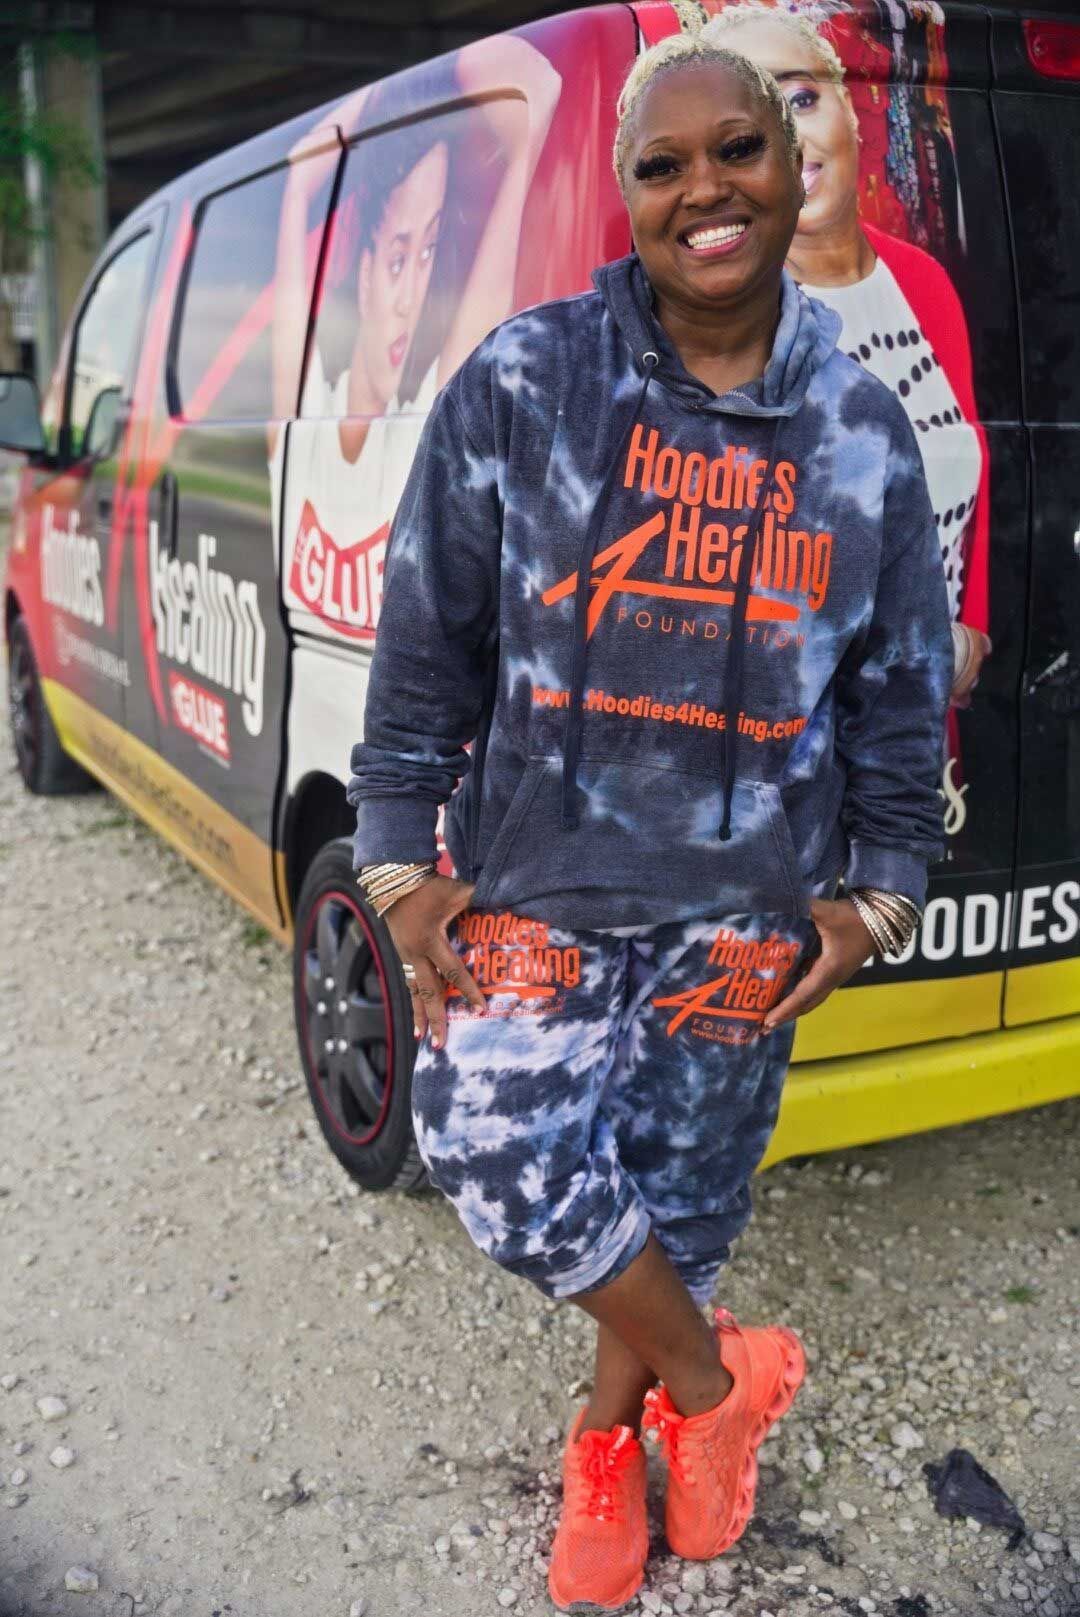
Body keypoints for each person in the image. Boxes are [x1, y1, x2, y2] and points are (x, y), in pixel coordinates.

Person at [348, 32, 952, 1613]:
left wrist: (876, 894)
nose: (706, 190)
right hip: (542, 886)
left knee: (681, 1203)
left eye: (736, 149)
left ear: (792, 161)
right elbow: (426, 648)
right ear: (623, 193)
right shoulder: (526, 382)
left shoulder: (866, 435)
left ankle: (608, 1446)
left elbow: (899, 702)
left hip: (752, 906)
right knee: (490, 1144)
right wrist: (403, 862)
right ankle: (717, 1386)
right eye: (662, 164)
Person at [702, 1, 991, 709]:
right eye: (747, 130)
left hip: (923, 724)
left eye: (801, 98)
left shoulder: (923, 282)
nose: (788, 137)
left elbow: (970, 452)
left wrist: (972, 631)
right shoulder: (732, 309)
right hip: (792, 744)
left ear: (849, 110)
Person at [268, 38, 561, 608]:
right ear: (363, 265)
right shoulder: (301, 422)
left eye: (428, 252)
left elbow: (539, 93)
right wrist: (405, 88)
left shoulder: (431, 424)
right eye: (399, 256)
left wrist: (444, 70)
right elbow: (300, 174)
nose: (412, 298)